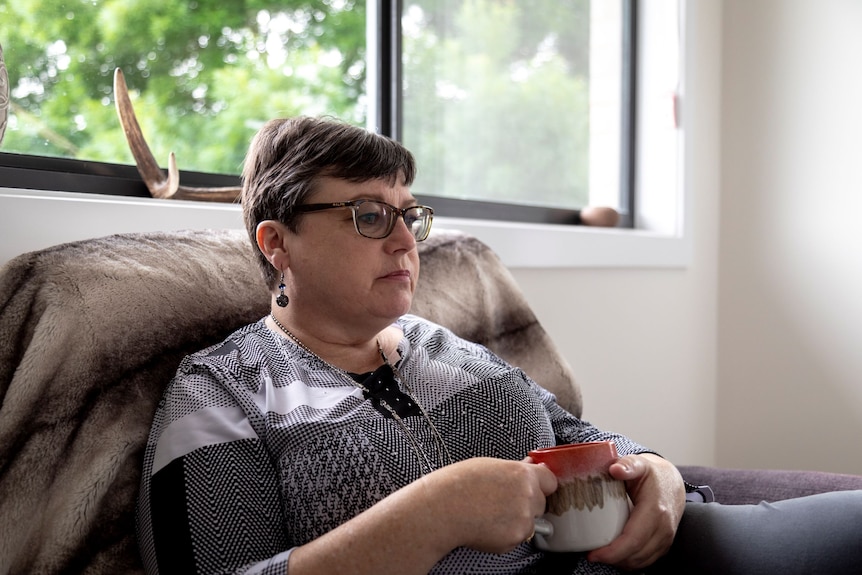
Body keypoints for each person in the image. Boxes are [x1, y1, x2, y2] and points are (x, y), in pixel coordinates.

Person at [136, 116, 862, 575]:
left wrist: (662, 476)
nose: (403, 240)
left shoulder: (442, 345)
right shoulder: (222, 391)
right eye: (365, 215)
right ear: (277, 243)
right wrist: (435, 513)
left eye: (407, 215)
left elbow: (583, 437)